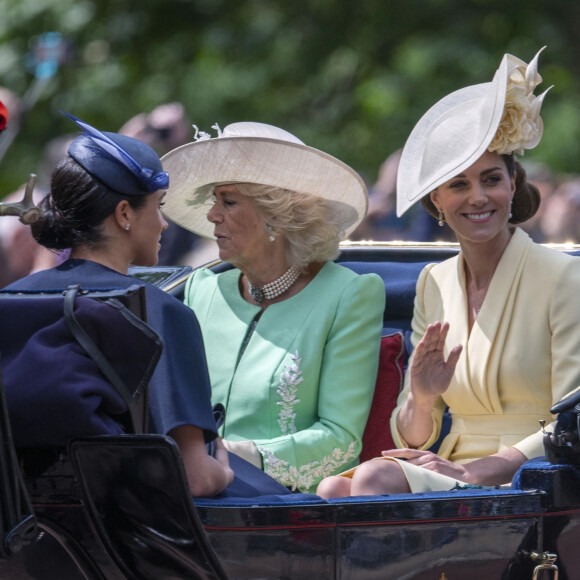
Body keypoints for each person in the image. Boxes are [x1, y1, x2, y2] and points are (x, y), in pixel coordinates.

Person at [316, 47, 580, 498]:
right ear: (435, 200)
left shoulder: (564, 277)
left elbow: (573, 421)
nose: (478, 197)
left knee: (372, 480)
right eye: (459, 184)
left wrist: (483, 469)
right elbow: (413, 437)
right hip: (451, 466)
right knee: (331, 490)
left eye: (491, 179)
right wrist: (420, 395)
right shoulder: (432, 282)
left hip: (535, 471)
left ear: (512, 184)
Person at [2, 113, 235, 497]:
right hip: (125, 539)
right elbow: (196, 478)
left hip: (23, 537)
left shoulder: (12, 299)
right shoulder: (160, 310)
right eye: (158, 206)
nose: (163, 224)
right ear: (125, 213)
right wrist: (222, 470)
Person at [161, 121, 385, 493]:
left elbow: (340, 440)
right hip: (188, 495)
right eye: (214, 199)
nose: (213, 214)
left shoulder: (350, 294)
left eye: (229, 201)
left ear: (276, 216)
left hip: (278, 509)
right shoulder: (201, 290)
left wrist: (239, 456)